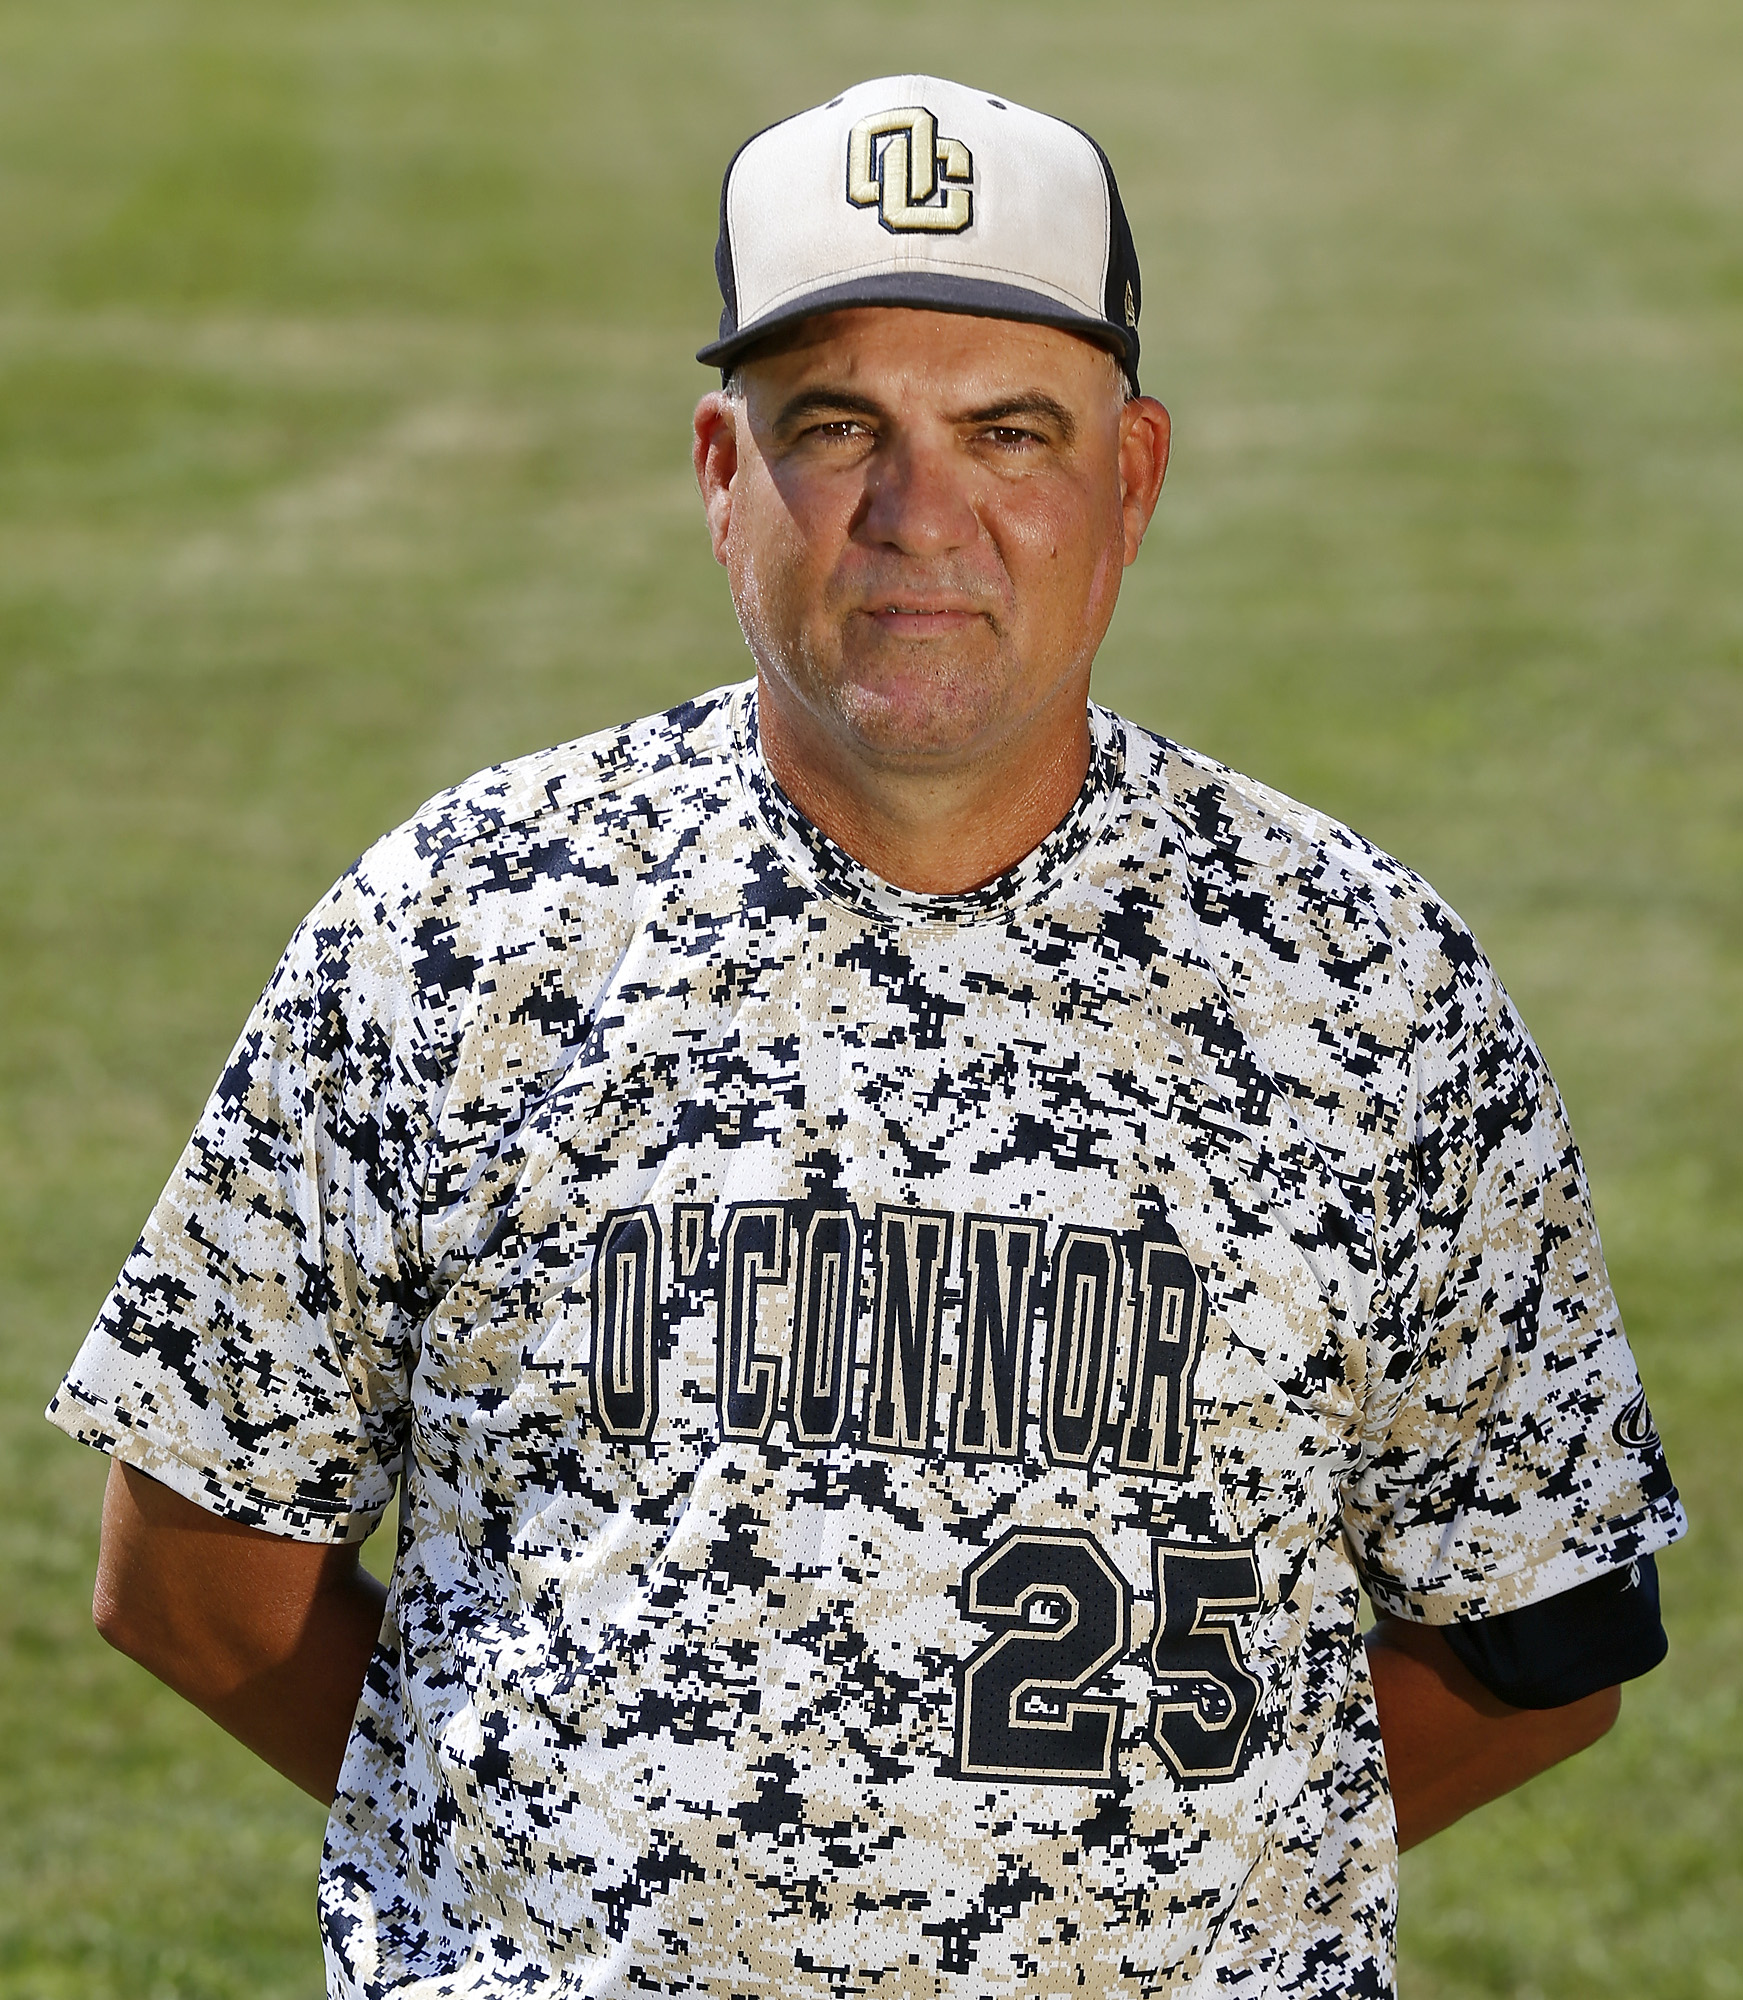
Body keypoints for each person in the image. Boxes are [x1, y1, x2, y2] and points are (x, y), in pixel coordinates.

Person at [50, 73, 1683, 1999]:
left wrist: (1184, 1892)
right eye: (838, 428)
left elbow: (1544, 1639)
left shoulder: (1366, 981)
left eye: (1011, 432)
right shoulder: (463, 931)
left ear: (1133, 479)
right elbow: (193, 1574)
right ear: (721, 477)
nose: (923, 517)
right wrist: (533, 1876)